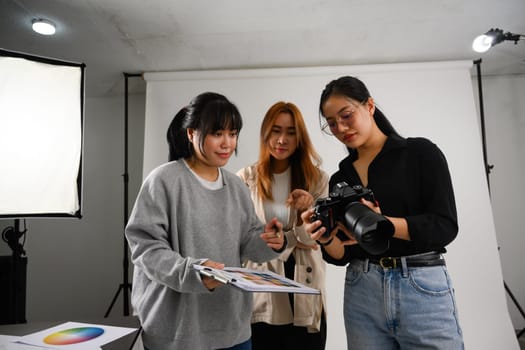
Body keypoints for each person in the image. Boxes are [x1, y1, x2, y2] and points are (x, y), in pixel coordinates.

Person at [301, 76, 464, 349]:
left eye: (346, 115)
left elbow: (444, 225)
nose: (340, 127)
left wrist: (384, 224)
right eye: (331, 123)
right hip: (362, 288)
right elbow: (345, 255)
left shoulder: (420, 153)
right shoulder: (342, 177)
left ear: (370, 106)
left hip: (421, 285)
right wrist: (325, 237)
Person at [125, 92, 286, 350]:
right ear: (191, 134)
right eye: (217, 133)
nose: (227, 143)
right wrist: (195, 273)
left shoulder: (235, 185)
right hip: (178, 331)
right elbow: (146, 249)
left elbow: (249, 241)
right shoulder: (164, 181)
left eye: (233, 134)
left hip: (233, 330)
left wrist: (272, 241)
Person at [237, 101, 329, 350]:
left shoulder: (317, 179)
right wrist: (296, 236)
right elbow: (241, 238)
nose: (282, 139)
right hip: (261, 290)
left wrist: (305, 213)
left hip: (304, 287)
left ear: (300, 137)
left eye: (290, 132)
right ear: (266, 132)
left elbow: (317, 238)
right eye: (276, 130)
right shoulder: (245, 178)